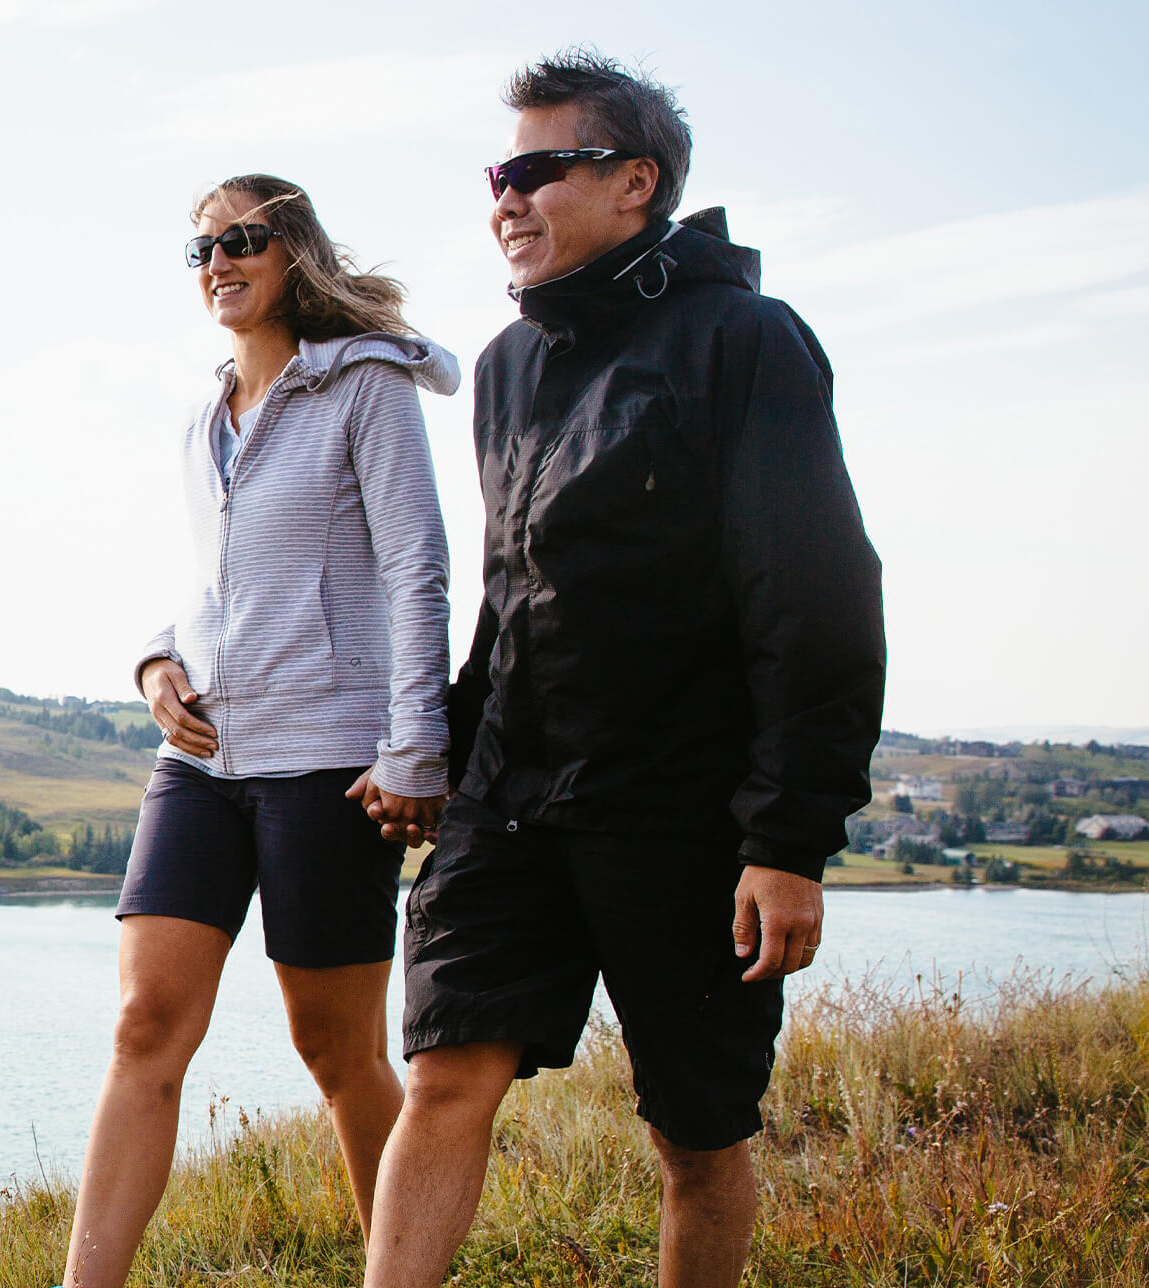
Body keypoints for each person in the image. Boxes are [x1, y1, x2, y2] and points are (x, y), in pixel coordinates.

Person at [363, 51, 885, 1288]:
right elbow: (510, 598)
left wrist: (789, 838)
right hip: (511, 800)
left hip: (684, 813)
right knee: (445, 1072)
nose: (508, 198)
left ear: (635, 183)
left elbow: (812, 598)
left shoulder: (746, 342)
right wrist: (440, 751)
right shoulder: (505, 366)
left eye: (539, 169)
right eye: (499, 174)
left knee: (693, 1132)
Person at [61, 174, 456, 1288]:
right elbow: (217, 586)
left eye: (242, 240)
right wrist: (153, 662)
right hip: (197, 763)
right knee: (144, 1028)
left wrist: (414, 749)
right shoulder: (206, 416)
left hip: (328, 763)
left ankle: (404, 1271)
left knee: (335, 1050)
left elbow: (417, 571)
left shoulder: (364, 389)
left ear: (296, 255)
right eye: (200, 248)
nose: (218, 262)